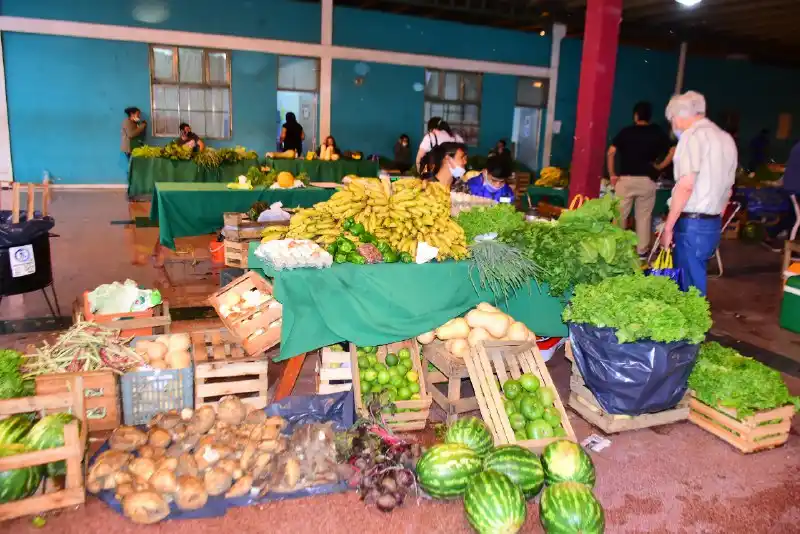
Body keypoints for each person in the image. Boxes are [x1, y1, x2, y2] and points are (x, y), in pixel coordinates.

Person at [660, 91, 738, 296]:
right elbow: (728, 189)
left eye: (673, 120)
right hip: (711, 223)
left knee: (689, 290)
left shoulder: (692, 136)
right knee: (695, 280)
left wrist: (668, 227)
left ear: (678, 116)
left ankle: (695, 328)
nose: (673, 126)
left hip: (691, 224)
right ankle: (695, 325)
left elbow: (686, 185)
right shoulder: (726, 139)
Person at [607, 101, 675, 257]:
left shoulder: (626, 132)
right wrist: (660, 166)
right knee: (643, 217)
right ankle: (642, 252)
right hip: (647, 181)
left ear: (635, 115)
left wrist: (612, 174)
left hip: (626, 180)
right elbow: (673, 149)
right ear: (649, 116)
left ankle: (617, 251)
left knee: (619, 216)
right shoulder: (656, 132)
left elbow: (611, 152)